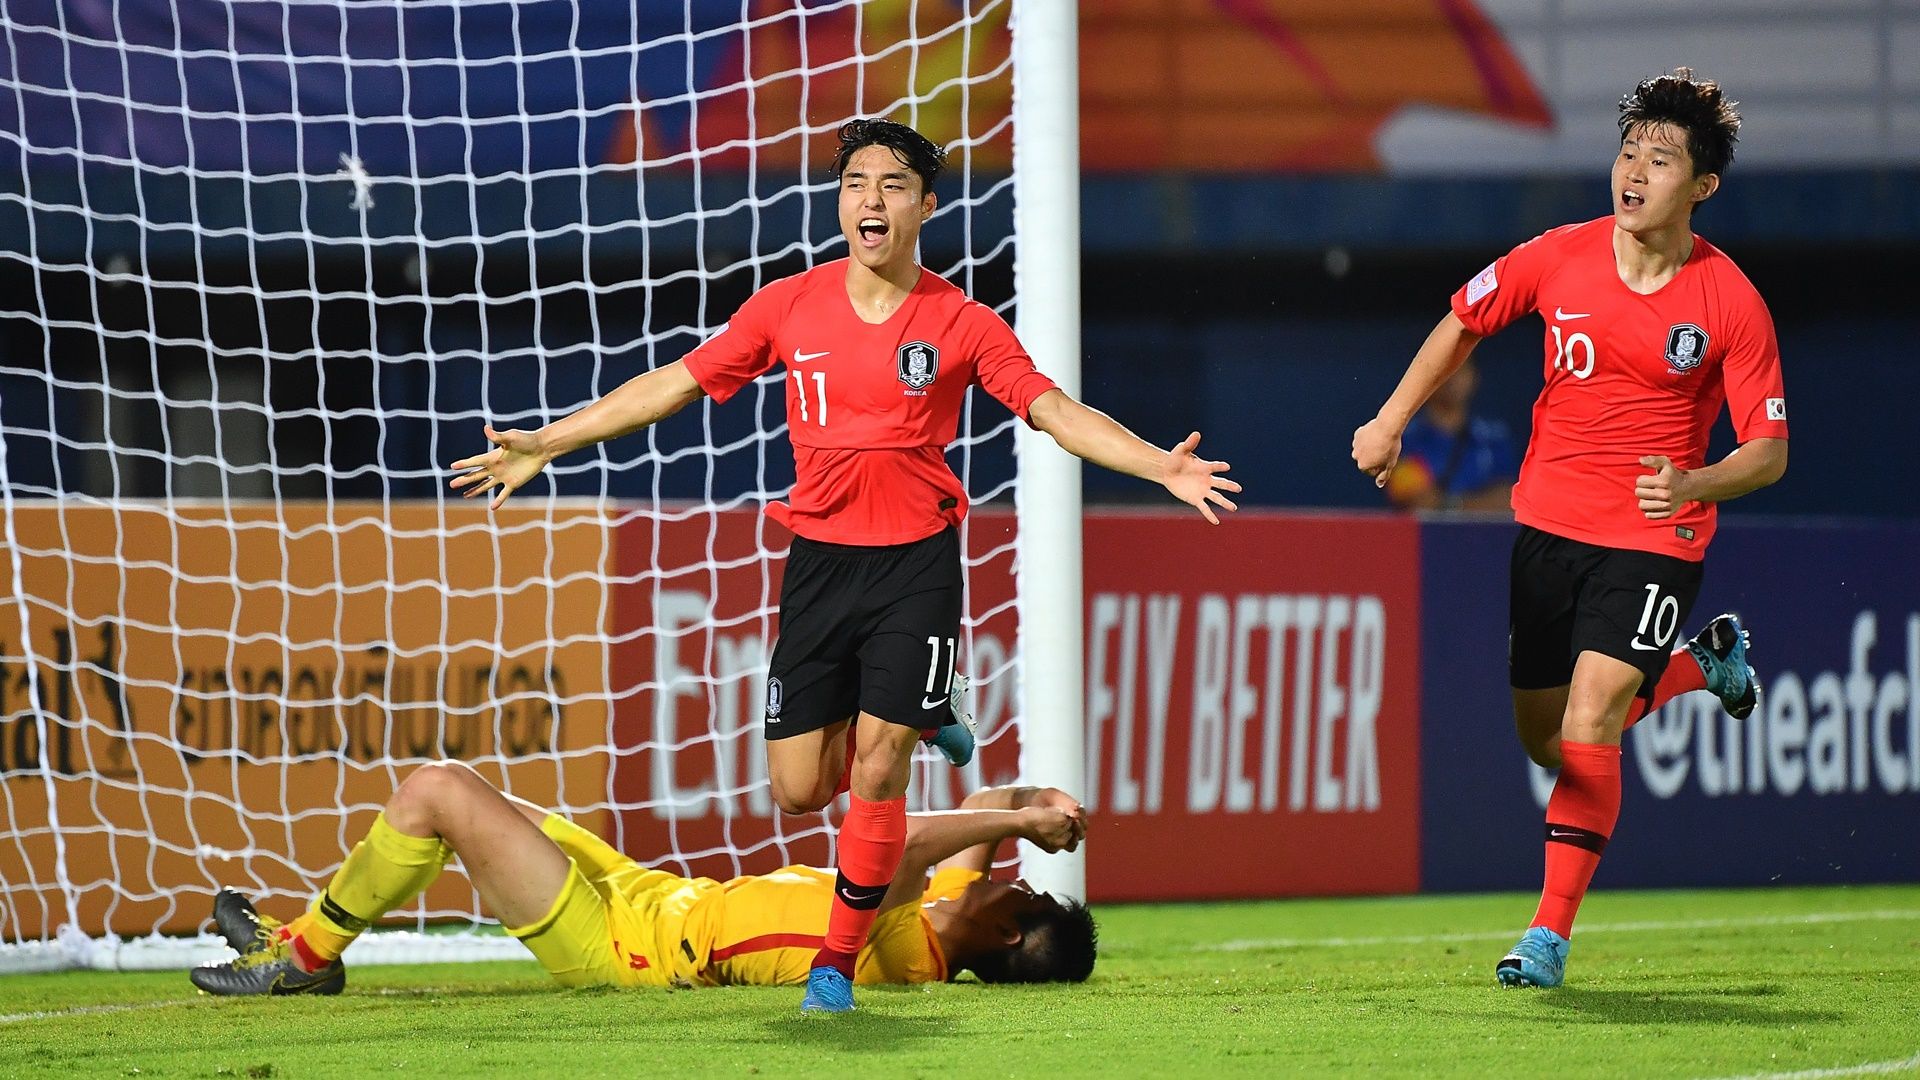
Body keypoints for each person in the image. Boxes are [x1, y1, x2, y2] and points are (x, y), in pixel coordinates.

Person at [448, 118, 1237, 1012]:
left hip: (916, 565)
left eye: (893, 184)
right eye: (856, 181)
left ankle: (834, 964)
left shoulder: (961, 322)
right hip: (820, 563)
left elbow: (1051, 409)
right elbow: (674, 381)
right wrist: (546, 443)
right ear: (840, 201)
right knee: (797, 791)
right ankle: (932, 709)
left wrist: (1158, 463)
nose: (871, 198)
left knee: (877, 766)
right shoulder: (789, 305)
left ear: (926, 207)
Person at [1351, 69, 1786, 988]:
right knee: (1549, 741)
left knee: (1592, 722)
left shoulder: (1730, 303)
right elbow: (1463, 321)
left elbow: (1769, 451)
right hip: (1549, 526)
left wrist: (1697, 480)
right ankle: (1702, 666)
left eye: (1659, 159)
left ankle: (1546, 937)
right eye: (1628, 151)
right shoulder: (1559, 255)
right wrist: (1391, 419)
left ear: (1701, 186)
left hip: (1656, 537)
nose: (1633, 171)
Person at [189, 761, 1094, 995]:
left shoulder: (893, 950)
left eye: (1032, 889)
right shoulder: (945, 911)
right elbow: (984, 800)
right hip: (649, 890)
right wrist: (1031, 799)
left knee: (437, 793)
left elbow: (896, 847)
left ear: (1010, 929)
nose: (1018, 873)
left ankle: (301, 957)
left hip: (630, 947)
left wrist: (1018, 822)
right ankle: (307, 941)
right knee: (481, 802)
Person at [1381, 357, 1516, 511]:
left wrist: (1450, 505)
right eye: (1446, 368)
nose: (1453, 377)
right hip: (1425, 535)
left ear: (1474, 376)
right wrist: (1478, 504)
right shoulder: (1404, 438)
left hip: (1484, 535)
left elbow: (1508, 499)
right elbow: (1415, 500)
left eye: (1461, 369)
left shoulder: (1494, 438)